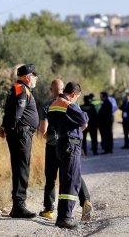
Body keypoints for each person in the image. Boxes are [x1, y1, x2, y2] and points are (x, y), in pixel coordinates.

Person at [38, 79, 93, 221]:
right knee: (72, 176)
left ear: (51, 90)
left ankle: (49, 209)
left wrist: (50, 138)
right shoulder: (70, 104)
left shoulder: (49, 105)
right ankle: (83, 202)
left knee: (54, 178)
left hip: (54, 145)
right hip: (69, 144)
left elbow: (43, 130)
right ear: (72, 93)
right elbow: (84, 122)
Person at [0, 64, 39, 218]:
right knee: (22, 169)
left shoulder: (17, 87)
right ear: (28, 76)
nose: (36, 79)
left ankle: (17, 206)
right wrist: (12, 127)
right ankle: (19, 206)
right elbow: (17, 111)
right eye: (35, 76)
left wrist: (5, 126)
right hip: (21, 134)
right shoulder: (22, 89)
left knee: (20, 167)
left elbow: (9, 110)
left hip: (19, 133)